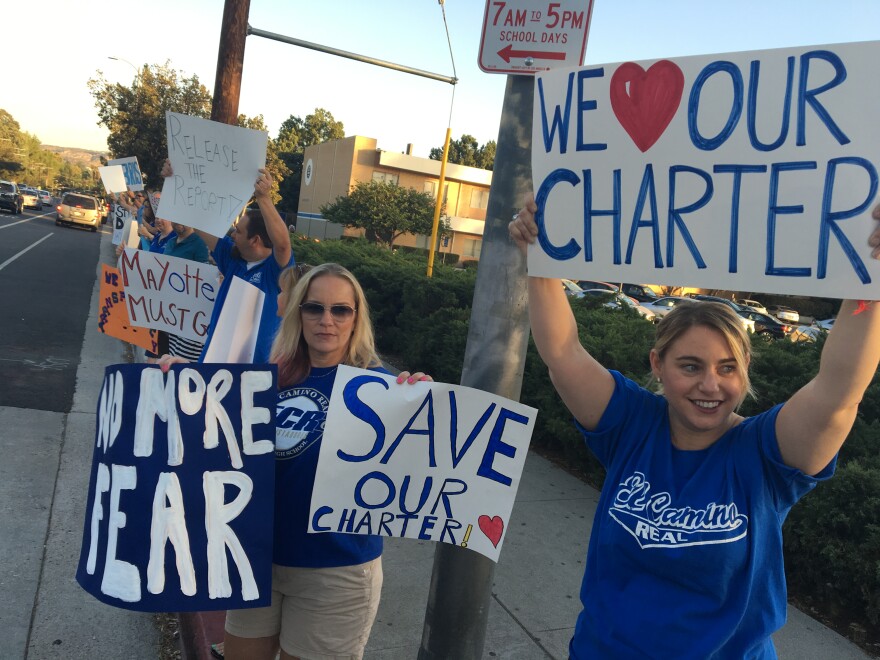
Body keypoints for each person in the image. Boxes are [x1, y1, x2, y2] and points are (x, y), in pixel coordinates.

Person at [508, 197, 880, 658]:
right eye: (690, 366)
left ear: (745, 369)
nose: (711, 385)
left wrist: (871, 275)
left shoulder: (766, 454)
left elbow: (840, 390)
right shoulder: (632, 424)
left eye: (728, 368)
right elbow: (563, 354)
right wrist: (540, 260)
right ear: (657, 365)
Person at [218, 262, 431, 660]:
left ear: (356, 318)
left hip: (334, 571)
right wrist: (176, 383)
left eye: (340, 310)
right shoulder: (270, 376)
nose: (326, 320)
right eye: (314, 308)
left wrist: (424, 408)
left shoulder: (380, 388)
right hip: (258, 558)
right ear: (298, 312)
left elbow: (416, 466)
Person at [160, 160, 294, 363]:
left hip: (254, 376)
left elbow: (283, 245)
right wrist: (174, 180)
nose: (232, 234)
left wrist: (263, 198)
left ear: (255, 240)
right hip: (215, 365)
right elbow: (197, 220)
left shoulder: (274, 271)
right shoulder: (233, 259)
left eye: (238, 231)